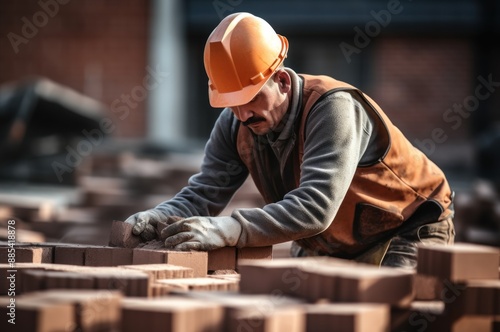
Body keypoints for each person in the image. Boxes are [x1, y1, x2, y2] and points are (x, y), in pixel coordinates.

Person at [125, 12, 455, 268]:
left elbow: (315, 207)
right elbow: (203, 193)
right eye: (231, 102)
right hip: (329, 241)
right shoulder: (235, 123)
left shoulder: (332, 109)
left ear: (282, 81)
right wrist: (157, 216)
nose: (241, 114)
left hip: (406, 227)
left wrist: (230, 229)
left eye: (250, 98)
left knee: (390, 317)